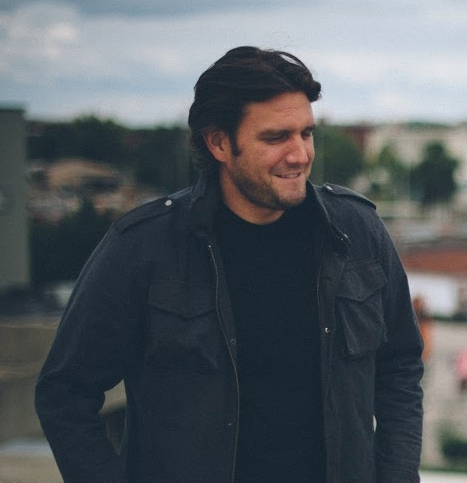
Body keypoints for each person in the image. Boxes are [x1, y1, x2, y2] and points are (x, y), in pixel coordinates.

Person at [35, 46, 424, 483]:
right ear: (219, 142)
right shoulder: (143, 247)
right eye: (276, 137)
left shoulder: (356, 232)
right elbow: (65, 393)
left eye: (306, 133)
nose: (300, 155)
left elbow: (400, 366)